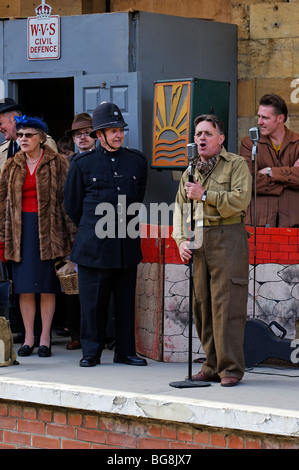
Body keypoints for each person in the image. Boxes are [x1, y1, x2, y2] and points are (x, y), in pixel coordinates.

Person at [64, 102, 147, 367]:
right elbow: (73, 205)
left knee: (125, 303)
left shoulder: (136, 161)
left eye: (120, 129)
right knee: (93, 304)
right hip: (94, 245)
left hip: (125, 243)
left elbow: (138, 198)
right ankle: (91, 352)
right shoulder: (82, 163)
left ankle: (125, 351)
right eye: (112, 130)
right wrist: (94, 227)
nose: (118, 134)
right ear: (98, 135)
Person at [172, 114, 252, 386]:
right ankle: (211, 364)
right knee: (202, 304)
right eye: (197, 134)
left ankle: (230, 368)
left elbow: (241, 199)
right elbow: (181, 209)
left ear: (221, 138)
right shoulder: (190, 171)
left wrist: (206, 195)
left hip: (227, 235)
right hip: (199, 238)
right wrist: (181, 240)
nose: (201, 138)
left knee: (226, 304)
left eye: (207, 133)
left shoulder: (236, 165)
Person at [0, 115, 76, 358]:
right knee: (24, 288)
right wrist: (2, 239)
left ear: (41, 139)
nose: (23, 139)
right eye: (20, 135)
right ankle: (29, 338)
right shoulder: (11, 165)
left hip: (49, 233)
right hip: (19, 232)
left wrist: (71, 240)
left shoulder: (57, 163)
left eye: (28, 135)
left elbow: (68, 204)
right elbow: (2, 204)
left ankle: (45, 338)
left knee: (46, 287)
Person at [240, 93, 299, 227]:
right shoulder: (249, 144)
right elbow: (248, 182)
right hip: (259, 221)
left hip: (293, 221)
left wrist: (270, 171)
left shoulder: (298, 142)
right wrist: (290, 178)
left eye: (265, 118)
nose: (259, 122)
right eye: (259, 116)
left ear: (280, 118)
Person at [0, 98, 57, 171]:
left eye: (0, 123)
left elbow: (54, 177)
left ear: (13, 118)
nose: (0, 129)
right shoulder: (2, 150)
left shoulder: (43, 142)